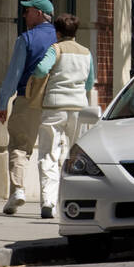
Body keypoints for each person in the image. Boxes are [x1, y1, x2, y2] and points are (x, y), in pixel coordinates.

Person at [29, 13, 99, 219]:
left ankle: (48, 201)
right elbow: (89, 82)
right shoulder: (86, 53)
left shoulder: (55, 49)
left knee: (48, 153)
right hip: (78, 107)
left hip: (54, 106)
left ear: (57, 33)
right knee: (76, 154)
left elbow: (41, 69)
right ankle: (75, 198)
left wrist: (41, 78)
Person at [0, 0, 57, 214]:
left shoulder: (26, 39)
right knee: (52, 153)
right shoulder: (61, 38)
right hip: (56, 103)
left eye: (27, 11)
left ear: (39, 14)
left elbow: (14, 74)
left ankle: (18, 190)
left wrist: (3, 102)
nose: (24, 15)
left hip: (28, 100)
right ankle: (49, 200)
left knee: (20, 147)